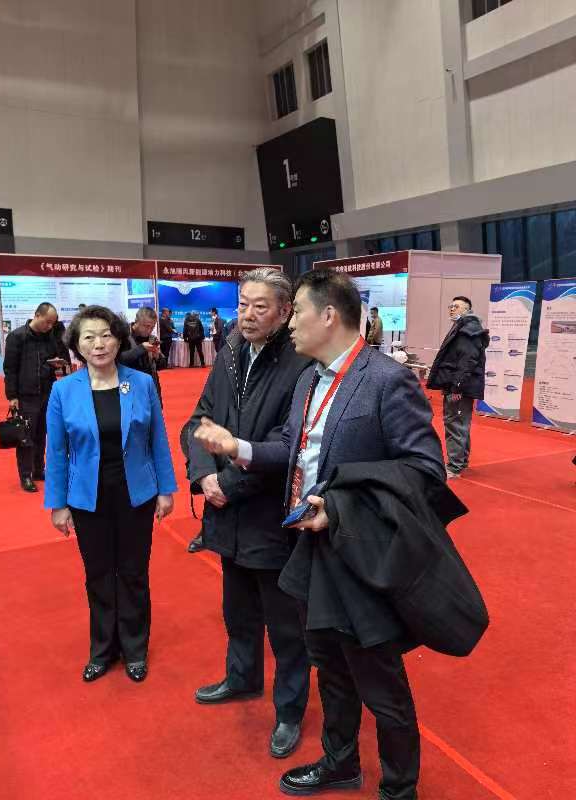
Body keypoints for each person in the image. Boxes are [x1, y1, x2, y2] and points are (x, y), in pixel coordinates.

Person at [194, 269, 446, 800]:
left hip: (360, 550)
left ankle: (399, 787)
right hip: (307, 548)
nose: (290, 326)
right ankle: (340, 761)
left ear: (328, 316)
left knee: (380, 681)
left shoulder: (385, 380)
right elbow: (291, 445)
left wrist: (341, 507)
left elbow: (425, 472)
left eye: (298, 314)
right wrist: (237, 448)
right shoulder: (310, 379)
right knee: (328, 666)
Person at [185, 267, 312, 759]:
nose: (248, 315)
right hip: (225, 516)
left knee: (285, 626)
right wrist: (204, 477)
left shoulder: (300, 363)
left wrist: (228, 485)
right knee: (237, 611)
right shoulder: (231, 351)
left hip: (269, 518)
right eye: (243, 305)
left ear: (284, 312)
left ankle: (289, 711)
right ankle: (241, 678)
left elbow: (290, 447)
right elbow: (198, 420)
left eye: (261, 307)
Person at [45, 305, 177, 684]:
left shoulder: (141, 383)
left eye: (106, 335)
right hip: (88, 497)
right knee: (99, 574)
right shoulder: (63, 390)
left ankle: (135, 648)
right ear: (77, 345)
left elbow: (158, 439)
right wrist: (57, 504)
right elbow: (56, 451)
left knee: (133, 572)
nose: (99, 344)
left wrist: (166, 489)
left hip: (137, 493)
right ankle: (103, 649)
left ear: (119, 339)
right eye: (89, 337)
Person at [3, 302, 68, 492]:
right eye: (47, 322)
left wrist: (57, 362)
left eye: (52, 323)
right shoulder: (17, 337)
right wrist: (12, 395)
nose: (49, 326)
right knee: (26, 437)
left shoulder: (51, 336)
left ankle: (39, 470)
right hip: (25, 395)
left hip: (48, 392)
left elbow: (58, 357)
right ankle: (26, 475)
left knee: (42, 434)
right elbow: (10, 369)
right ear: (37, 315)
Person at [427, 296, 489, 479]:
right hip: (457, 384)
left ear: (467, 310)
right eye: (451, 306)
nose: (452, 309)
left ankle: (454, 466)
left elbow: (467, 362)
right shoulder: (463, 328)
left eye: (456, 306)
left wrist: (457, 388)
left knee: (454, 424)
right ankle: (461, 462)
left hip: (459, 387)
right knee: (459, 424)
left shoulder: (468, 331)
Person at [119, 307, 166, 403]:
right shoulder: (123, 336)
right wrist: (141, 348)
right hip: (129, 386)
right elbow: (119, 360)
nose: (149, 330)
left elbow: (162, 366)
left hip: (150, 386)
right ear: (136, 322)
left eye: (152, 327)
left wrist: (157, 357)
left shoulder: (152, 338)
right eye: (146, 326)